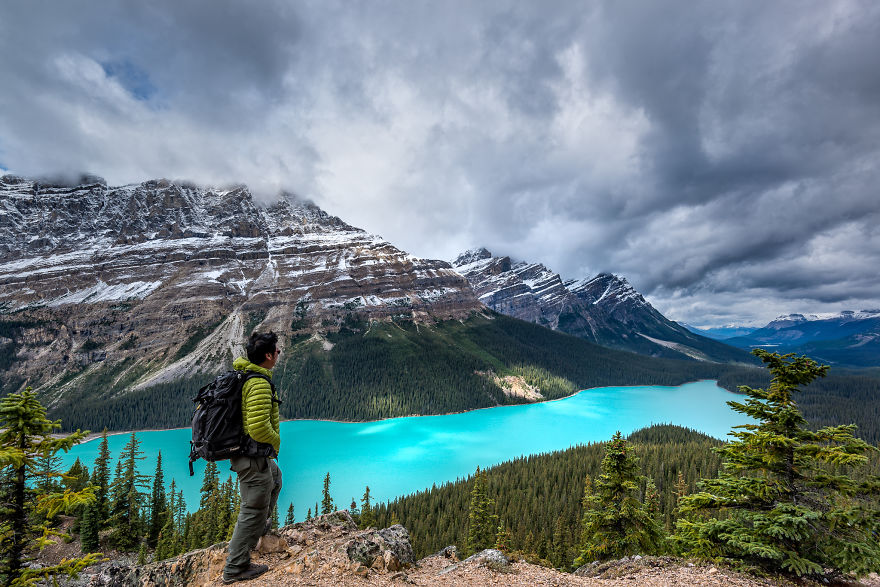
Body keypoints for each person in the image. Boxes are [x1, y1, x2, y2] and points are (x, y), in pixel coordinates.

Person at [223, 331, 283, 584]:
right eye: (277, 351)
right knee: (252, 508)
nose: (279, 354)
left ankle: (260, 530)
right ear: (268, 355)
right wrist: (276, 441)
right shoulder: (257, 382)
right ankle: (235, 568)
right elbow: (258, 426)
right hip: (251, 456)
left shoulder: (252, 377)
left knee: (276, 479)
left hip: (255, 454)